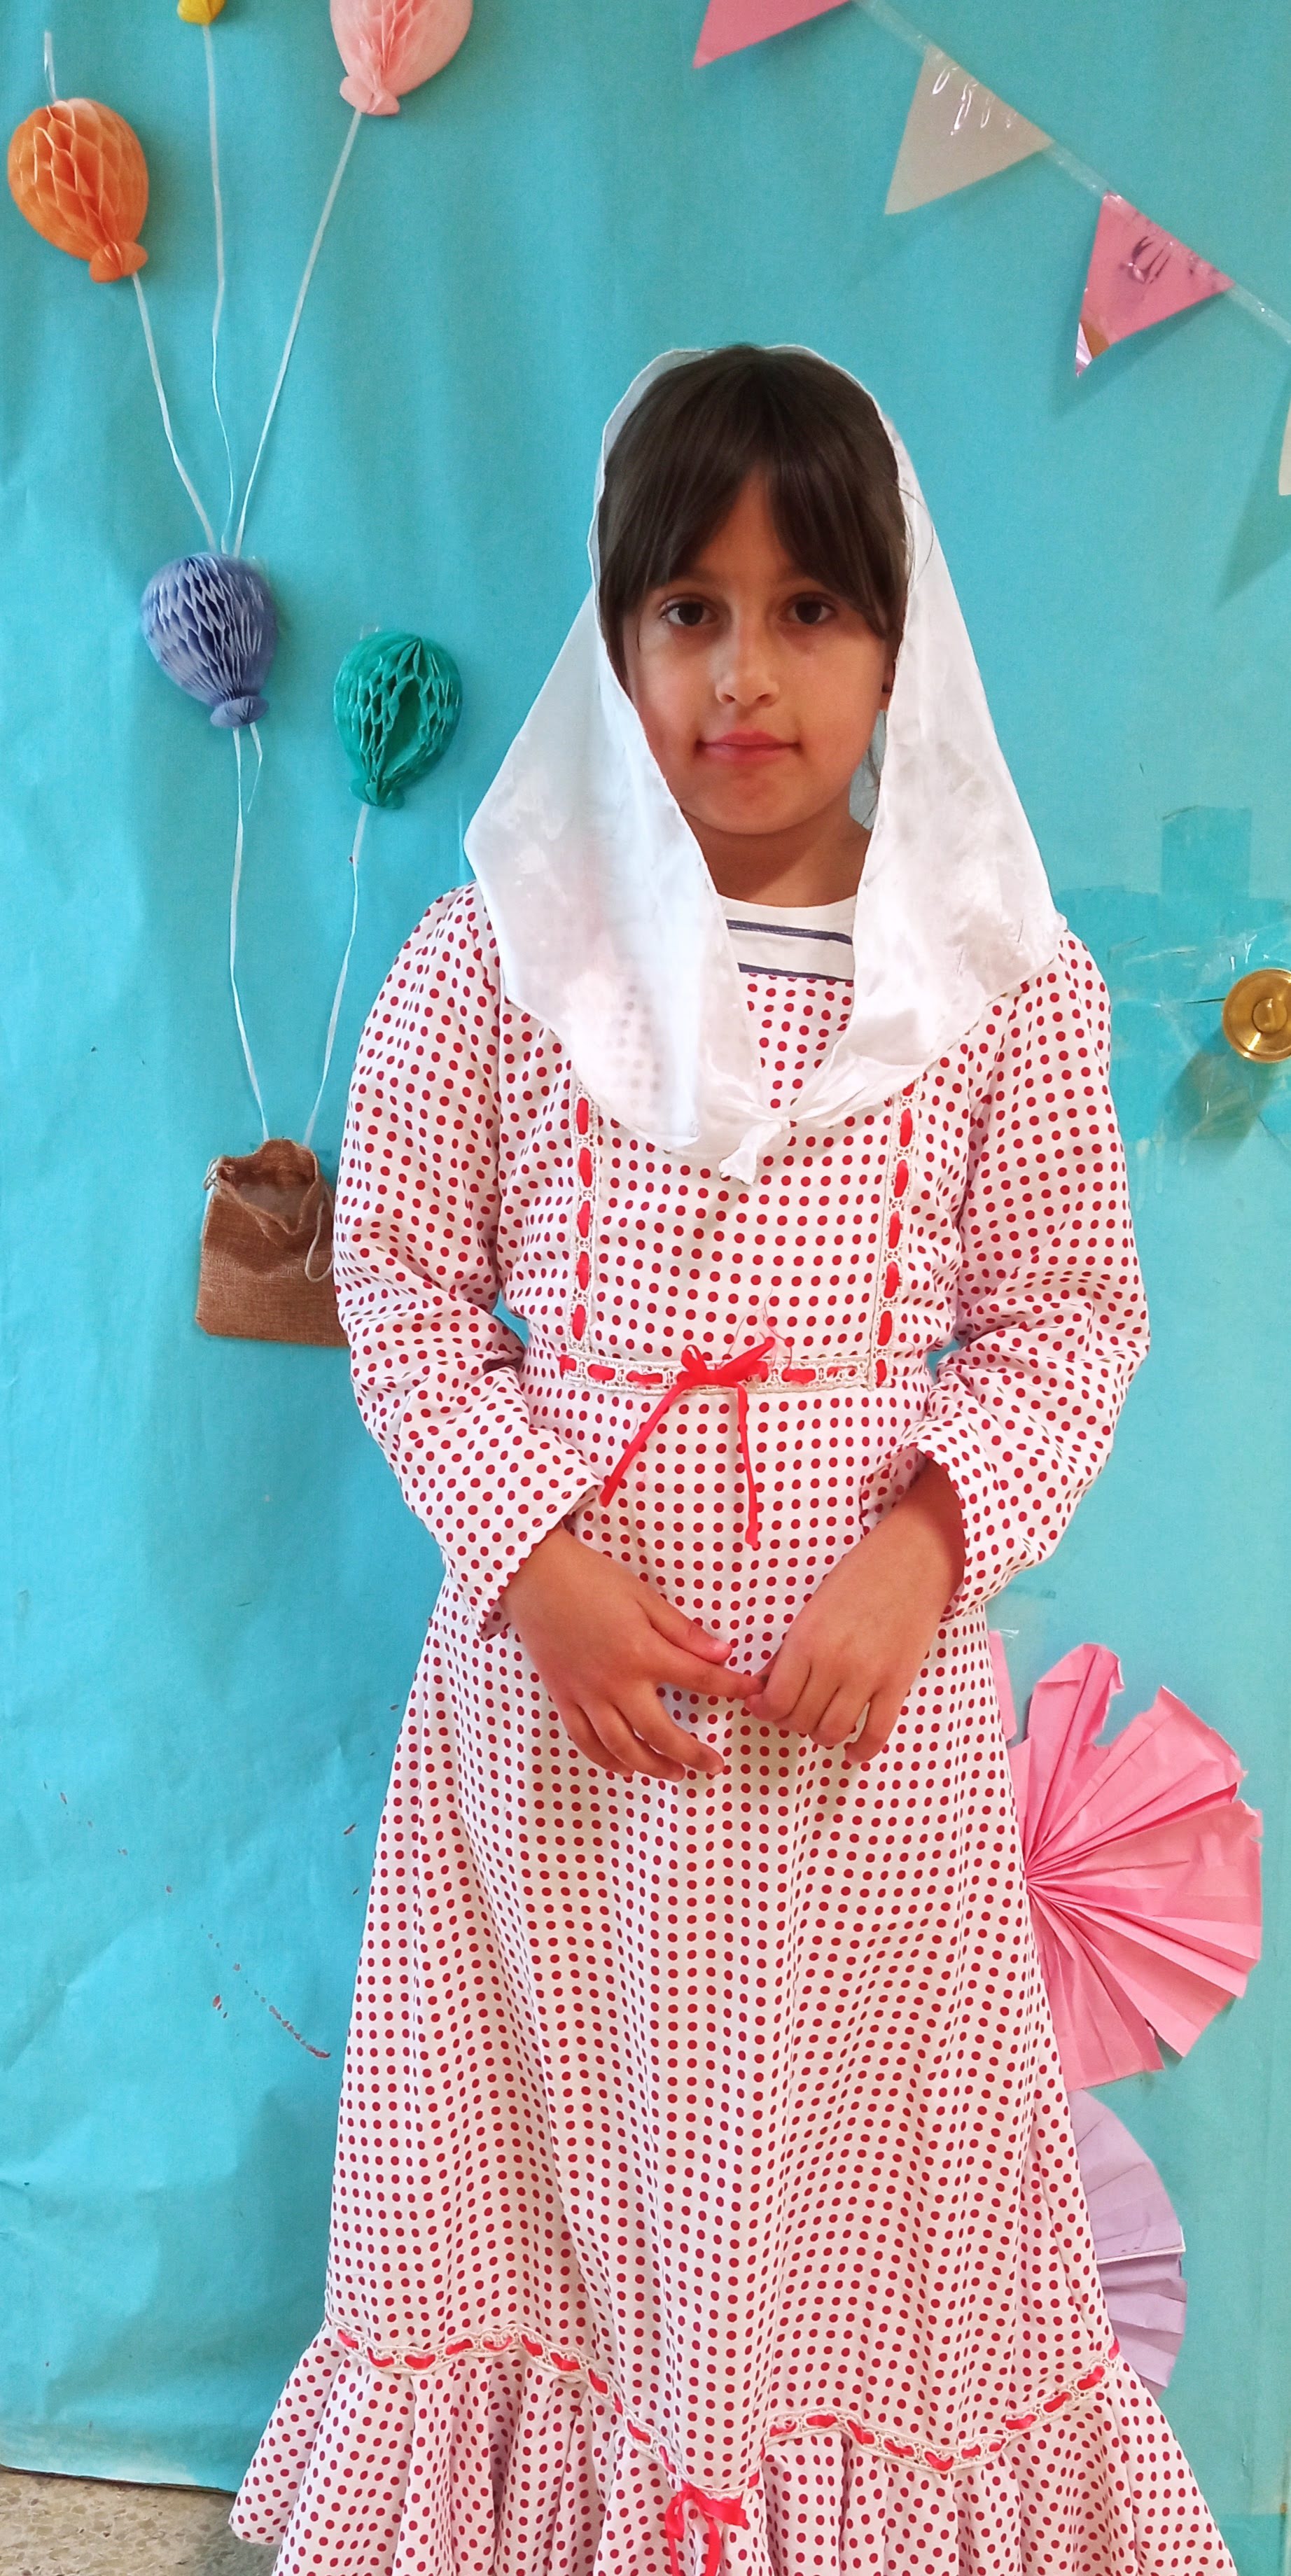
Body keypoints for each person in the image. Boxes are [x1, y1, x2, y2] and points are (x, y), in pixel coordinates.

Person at [232, 346, 1233, 2574]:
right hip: (555, 1745)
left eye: (806, 609)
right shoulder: (501, 956)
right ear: (615, 635)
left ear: (898, 639)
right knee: (532, 2183)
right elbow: (398, 1279)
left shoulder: (998, 981)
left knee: (871, 2204)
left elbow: (1066, 1321)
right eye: (687, 609)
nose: (743, 674)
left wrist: (924, 1549)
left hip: (861, 1755)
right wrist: (536, 1562)